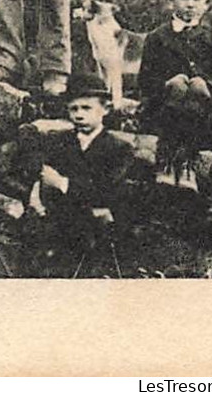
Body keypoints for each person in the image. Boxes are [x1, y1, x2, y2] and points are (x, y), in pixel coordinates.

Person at [136, 0, 212, 184]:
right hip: (166, 107)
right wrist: (167, 85)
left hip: (206, 111)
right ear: (171, 3)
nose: (191, 4)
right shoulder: (157, 37)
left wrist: (208, 87)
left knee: (195, 103)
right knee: (178, 103)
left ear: (206, 5)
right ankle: (167, 163)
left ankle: (187, 165)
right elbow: (145, 80)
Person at [26, 73, 135, 269]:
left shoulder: (119, 148)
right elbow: (43, 176)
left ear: (105, 109)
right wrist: (39, 196)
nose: (79, 114)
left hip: (97, 229)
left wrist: (62, 183)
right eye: (73, 108)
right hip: (60, 222)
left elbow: (105, 192)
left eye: (86, 108)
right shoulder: (59, 141)